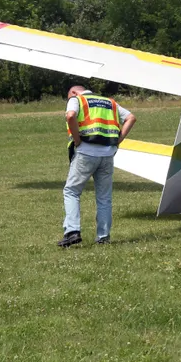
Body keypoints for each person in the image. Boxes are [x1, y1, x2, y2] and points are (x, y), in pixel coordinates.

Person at [59, 86, 136, 247]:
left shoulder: (76, 100)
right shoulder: (110, 102)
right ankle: (103, 237)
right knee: (104, 197)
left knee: (71, 191)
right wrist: (119, 139)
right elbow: (131, 118)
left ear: (73, 93)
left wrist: (77, 139)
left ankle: (72, 231)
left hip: (86, 151)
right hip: (108, 153)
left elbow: (71, 116)